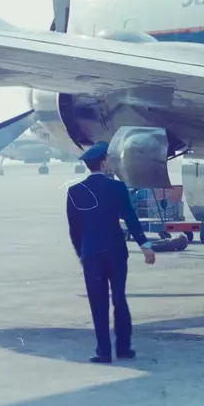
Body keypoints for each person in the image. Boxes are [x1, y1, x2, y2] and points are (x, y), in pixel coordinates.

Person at [65, 140, 156, 364]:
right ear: (104, 163)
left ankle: (103, 352)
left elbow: (74, 230)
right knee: (118, 299)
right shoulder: (117, 188)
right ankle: (123, 348)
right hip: (115, 252)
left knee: (98, 303)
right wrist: (144, 245)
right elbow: (130, 218)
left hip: (91, 254)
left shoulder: (74, 192)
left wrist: (81, 254)